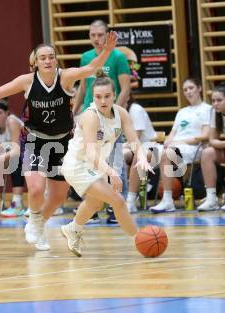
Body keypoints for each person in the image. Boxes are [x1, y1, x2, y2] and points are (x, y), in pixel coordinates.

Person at [0, 31, 118, 250]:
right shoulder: (27, 82)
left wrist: (107, 50)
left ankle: (38, 224)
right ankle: (33, 217)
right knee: (35, 189)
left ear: (55, 60)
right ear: (35, 63)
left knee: (58, 196)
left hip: (62, 142)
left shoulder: (66, 77)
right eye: (43, 57)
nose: (48, 60)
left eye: (51, 56)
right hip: (34, 140)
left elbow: (90, 69)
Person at [60, 71, 152, 257]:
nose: (103, 100)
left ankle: (73, 228)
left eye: (107, 96)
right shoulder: (91, 116)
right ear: (93, 97)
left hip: (95, 166)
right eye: (98, 96)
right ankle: (141, 240)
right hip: (77, 164)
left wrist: (141, 156)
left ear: (115, 95)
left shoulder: (121, 113)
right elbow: (91, 152)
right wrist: (112, 173)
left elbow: (134, 141)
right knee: (117, 201)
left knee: (95, 203)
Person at [73, 19, 131, 224]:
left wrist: (114, 114)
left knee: (115, 162)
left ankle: (117, 208)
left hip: (109, 118)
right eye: (93, 35)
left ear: (108, 36)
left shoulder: (118, 57)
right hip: (90, 118)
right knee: (89, 163)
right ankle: (92, 209)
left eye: (100, 35)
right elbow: (82, 88)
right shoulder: (86, 57)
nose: (96, 39)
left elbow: (125, 88)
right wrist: (74, 112)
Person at [150, 78, 212, 213]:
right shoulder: (182, 112)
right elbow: (173, 133)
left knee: (166, 153)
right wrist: (168, 141)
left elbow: (206, 135)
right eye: (185, 90)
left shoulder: (208, 109)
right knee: (143, 153)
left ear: (199, 88)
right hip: (175, 147)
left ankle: (167, 201)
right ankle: (130, 200)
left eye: (191, 88)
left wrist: (179, 142)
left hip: (194, 148)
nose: (188, 92)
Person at [198, 82, 225, 211]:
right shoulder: (215, 111)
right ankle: (211, 199)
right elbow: (212, 140)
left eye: (219, 100)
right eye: (213, 101)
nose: (215, 104)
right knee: (207, 153)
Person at [123, 92, 157, 212]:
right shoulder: (115, 111)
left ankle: (130, 200)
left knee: (122, 154)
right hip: (132, 147)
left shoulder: (135, 109)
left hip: (148, 147)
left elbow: (136, 137)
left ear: (127, 96)